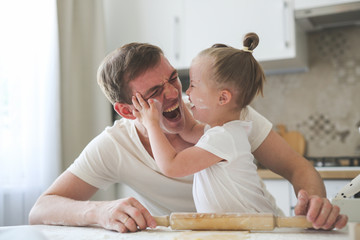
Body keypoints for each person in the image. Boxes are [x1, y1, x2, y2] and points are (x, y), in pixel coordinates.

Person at [29, 42, 347, 233]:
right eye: (154, 92)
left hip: (258, 231)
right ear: (127, 111)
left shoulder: (226, 116)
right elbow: (42, 209)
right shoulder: (114, 145)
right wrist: (100, 212)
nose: (174, 93)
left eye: (173, 78)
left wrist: (315, 202)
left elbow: (298, 168)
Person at [131, 33, 281, 215]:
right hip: (241, 228)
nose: (187, 91)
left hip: (254, 228)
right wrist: (174, 97)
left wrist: (151, 124)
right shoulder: (223, 131)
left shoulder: (223, 138)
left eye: (193, 85)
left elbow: (172, 166)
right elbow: (189, 130)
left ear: (222, 98)